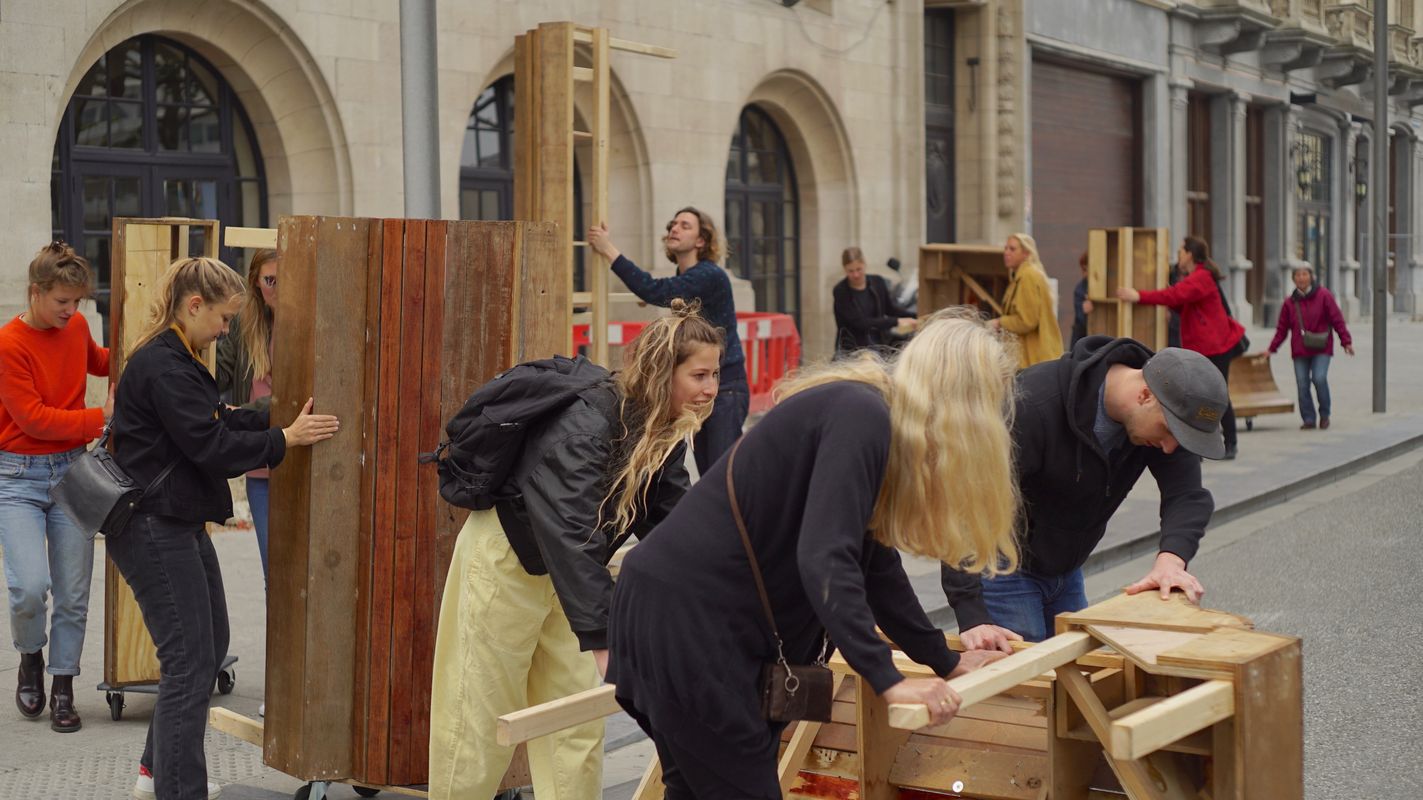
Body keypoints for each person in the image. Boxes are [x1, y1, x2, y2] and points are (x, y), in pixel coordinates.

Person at [607, 311, 1016, 799]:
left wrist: (942, 660)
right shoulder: (861, 414)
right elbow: (825, 556)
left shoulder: (870, 417)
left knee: (695, 790)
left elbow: (875, 566)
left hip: (687, 622)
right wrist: (887, 679)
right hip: (689, 628)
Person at [428, 302, 723, 800]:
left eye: (715, 373)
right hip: (505, 563)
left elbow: (679, 526)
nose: (711, 388)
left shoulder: (661, 430)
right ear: (661, 372)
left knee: (576, 727)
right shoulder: (587, 424)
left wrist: (732, 589)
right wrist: (603, 640)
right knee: (476, 720)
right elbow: (571, 532)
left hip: (569, 577)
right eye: (699, 375)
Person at [109, 257, 339, 800]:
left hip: (174, 519)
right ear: (195, 306)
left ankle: (156, 774)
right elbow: (210, 446)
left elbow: (216, 417)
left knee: (209, 649)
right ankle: (178, 789)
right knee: (189, 662)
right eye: (223, 317)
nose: (226, 329)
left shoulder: (177, 354)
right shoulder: (165, 364)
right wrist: (285, 439)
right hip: (153, 525)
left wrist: (274, 413)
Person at [942, 339, 1227, 649]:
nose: (1170, 447)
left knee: (1074, 668)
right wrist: (972, 614)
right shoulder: (1033, 404)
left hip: (1066, 567)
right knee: (1025, 676)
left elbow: (1187, 494)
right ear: (1145, 395)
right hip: (1003, 567)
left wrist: (1170, 562)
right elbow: (964, 503)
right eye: (1169, 432)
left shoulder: (1167, 408)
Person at [0, 241, 111, 733]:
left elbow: (101, 361)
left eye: (77, 301)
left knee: (73, 590)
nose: (71, 311)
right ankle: (31, 657)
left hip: (72, 472)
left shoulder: (77, 326)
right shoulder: (9, 344)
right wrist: (100, 418)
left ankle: (63, 683)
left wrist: (145, 348)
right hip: (17, 477)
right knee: (29, 586)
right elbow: (34, 419)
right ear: (36, 292)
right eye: (62, 301)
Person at [587, 208, 747, 473]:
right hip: (707, 385)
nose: (674, 228)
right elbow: (663, 291)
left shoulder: (709, 274)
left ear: (701, 240)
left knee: (723, 474)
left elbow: (654, 289)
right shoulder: (688, 277)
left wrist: (607, 249)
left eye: (685, 225)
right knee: (710, 472)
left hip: (725, 386)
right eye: (673, 224)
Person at [1116, 237, 1245, 460]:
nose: (1178, 256)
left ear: (1189, 254)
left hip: (1215, 347)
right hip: (1205, 346)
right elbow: (1181, 301)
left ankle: (1230, 443)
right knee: (1205, 396)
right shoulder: (1197, 277)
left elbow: (1175, 295)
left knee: (1217, 396)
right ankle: (1200, 446)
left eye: (1180, 251)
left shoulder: (1201, 277)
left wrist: (1139, 296)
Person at [215, 248, 278, 583]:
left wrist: (245, 413)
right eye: (271, 281)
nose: (279, 290)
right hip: (259, 460)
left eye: (286, 280)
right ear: (255, 281)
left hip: (299, 454)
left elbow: (294, 399)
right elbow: (218, 375)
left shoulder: (309, 319)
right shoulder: (243, 321)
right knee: (273, 573)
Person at [1258, 264, 1353, 430]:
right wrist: (1271, 349)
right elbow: (1282, 329)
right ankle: (1308, 418)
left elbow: (1337, 320)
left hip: (1322, 347)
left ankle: (1325, 414)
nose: (1301, 278)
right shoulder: (1289, 302)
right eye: (1298, 275)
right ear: (1293, 279)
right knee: (1302, 384)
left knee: (1319, 378)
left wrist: (1346, 341)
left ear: (1311, 277)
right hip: (1300, 349)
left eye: (1304, 274)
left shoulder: (1324, 296)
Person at [988, 233, 1063, 369]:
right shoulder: (1023, 276)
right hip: (1032, 359)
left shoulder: (1028, 276)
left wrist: (999, 323)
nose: (1006, 253)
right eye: (1006, 248)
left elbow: (1027, 321)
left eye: (1012, 249)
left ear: (1026, 253)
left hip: (1032, 359)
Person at [832, 246, 916, 354]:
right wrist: (897, 321)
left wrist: (914, 316)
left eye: (859, 269)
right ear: (844, 269)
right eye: (850, 271)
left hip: (878, 343)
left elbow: (890, 309)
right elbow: (860, 323)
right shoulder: (841, 291)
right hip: (851, 349)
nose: (856, 275)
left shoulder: (878, 282)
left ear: (864, 264)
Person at [1070, 252, 1092, 346]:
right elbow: (1080, 318)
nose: (1084, 274)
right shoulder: (1080, 288)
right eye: (1083, 270)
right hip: (1081, 340)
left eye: (1085, 269)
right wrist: (1084, 311)